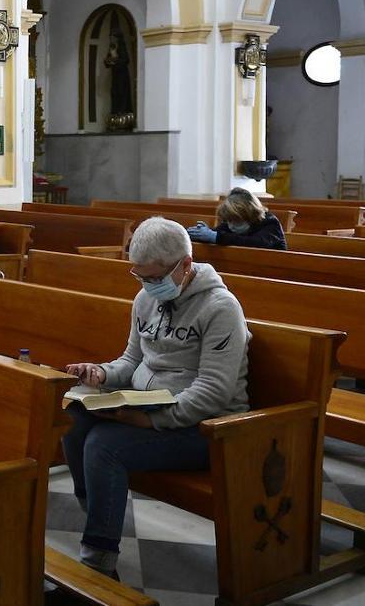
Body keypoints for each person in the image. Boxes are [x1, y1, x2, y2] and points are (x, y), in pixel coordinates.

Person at [62, 216, 249, 578]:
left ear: (185, 265)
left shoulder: (221, 308)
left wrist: (150, 420)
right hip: (150, 408)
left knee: (104, 445)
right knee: (74, 420)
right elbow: (132, 360)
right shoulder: (146, 298)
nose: (148, 286)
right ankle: (96, 518)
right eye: (141, 277)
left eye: (155, 278)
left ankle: (99, 565)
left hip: (211, 428)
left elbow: (214, 391)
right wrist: (101, 373)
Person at [186, 187, 286, 250]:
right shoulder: (229, 223)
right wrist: (199, 233)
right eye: (229, 221)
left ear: (250, 214)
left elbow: (256, 243)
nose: (231, 226)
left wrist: (215, 236)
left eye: (237, 221)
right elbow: (218, 233)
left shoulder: (270, 223)